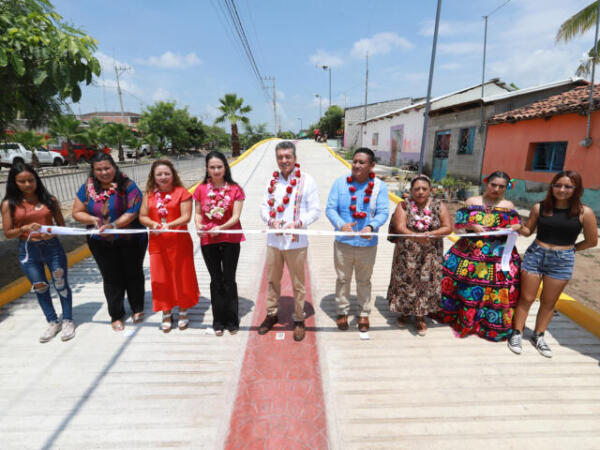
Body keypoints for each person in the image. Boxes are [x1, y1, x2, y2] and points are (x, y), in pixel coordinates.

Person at [508, 171, 597, 357]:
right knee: (526, 297)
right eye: (558, 185)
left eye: (568, 186)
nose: (562, 190)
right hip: (535, 255)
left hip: (562, 260)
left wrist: (570, 250)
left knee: (549, 302)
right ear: (552, 186)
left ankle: (538, 336)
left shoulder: (584, 212)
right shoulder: (540, 208)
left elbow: (591, 241)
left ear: (576, 189)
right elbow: (528, 231)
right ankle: (517, 333)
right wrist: (518, 227)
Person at [435, 171, 522, 341]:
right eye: (493, 185)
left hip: (497, 255)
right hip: (470, 252)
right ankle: (461, 317)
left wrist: (516, 226)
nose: (496, 189)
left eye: (501, 186)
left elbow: (516, 226)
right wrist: (472, 225)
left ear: (506, 187)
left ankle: (486, 322)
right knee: (464, 285)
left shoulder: (508, 205)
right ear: (486, 183)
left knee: (494, 289)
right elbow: (458, 223)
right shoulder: (472, 201)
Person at [72, 153, 147, 332]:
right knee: (111, 277)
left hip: (130, 238)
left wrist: (113, 225)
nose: (104, 172)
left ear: (114, 167)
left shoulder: (128, 185)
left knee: (133, 272)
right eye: (99, 169)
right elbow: (76, 211)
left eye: (107, 168)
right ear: (93, 170)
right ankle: (116, 314)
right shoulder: (87, 188)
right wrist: (90, 218)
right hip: (100, 241)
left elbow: (133, 211)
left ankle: (137, 308)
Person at [1, 163, 75, 343]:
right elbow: (8, 233)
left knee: (61, 284)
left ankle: (67, 320)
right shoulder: (9, 204)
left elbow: (61, 226)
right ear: (14, 182)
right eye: (22, 181)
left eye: (31, 180)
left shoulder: (50, 200)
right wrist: (24, 228)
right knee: (40, 286)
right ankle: (52, 322)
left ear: (37, 180)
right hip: (28, 250)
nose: (27, 184)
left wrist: (51, 231)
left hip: (52, 248)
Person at [258, 140, 320, 341]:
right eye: (280, 157)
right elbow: (263, 208)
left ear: (295, 158)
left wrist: (299, 223)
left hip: (296, 242)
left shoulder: (307, 180)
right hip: (274, 241)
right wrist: (270, 220)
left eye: (288, 157)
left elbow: (315, 211)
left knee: (298, 283)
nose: (284, 160)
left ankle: (299, 318)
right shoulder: (272, 181)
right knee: (272, 280)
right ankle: (271, 313)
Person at [326, 147, 389, 332]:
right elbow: (330, 209)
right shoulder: (340, 184)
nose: (356, 165)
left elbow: (384, 211)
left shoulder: (379, 186)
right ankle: (342, 311)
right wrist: (340, 224)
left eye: (362, 162)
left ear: (372, 165)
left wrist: (371, 226)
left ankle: (363, 314)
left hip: (367, 244)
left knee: (364, 281)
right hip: (343, 242)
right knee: (343, 279)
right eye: (354, 161)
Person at [386, 174, 451, 335]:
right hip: (407, 252)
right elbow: (400, 226)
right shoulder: (403, 205)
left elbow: (448, 227)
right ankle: (405, 312)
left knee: (426, 283)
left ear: (430, 191)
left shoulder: (438, 205)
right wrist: (415, 236)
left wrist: (431, 234)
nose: (420, 192)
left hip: (431, 253)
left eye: (424, 189)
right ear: (411, 190)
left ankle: (420, 316)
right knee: (406, 281)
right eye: (417, 189)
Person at [139, 159, 199, 333]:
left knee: (180, 276)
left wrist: (168, 225)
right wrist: (152, 223)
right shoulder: (149, 194)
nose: (163, 177)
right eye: (159, 174)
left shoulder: (182, 193)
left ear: (173, 175)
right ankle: (166, 311)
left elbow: (186, 217)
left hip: (178, 243)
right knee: (161, 277)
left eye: (167, 173)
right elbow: (143, 216)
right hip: (157, 243)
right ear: (153, 177)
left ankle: (182, 309)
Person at [193, 151, 245, 336]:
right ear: (207, 169)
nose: (216, 170)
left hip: (230, 238)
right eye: (212, 167)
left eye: (219, 167)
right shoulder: (200, 190)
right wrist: (199, 225)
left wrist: (221, 227)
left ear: (225, 167)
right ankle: (218, 320)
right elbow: (198, 214)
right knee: (216, 280)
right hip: (208, 239)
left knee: (229, 279)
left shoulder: (235, 189)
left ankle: (232, 319)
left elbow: (236, 216)